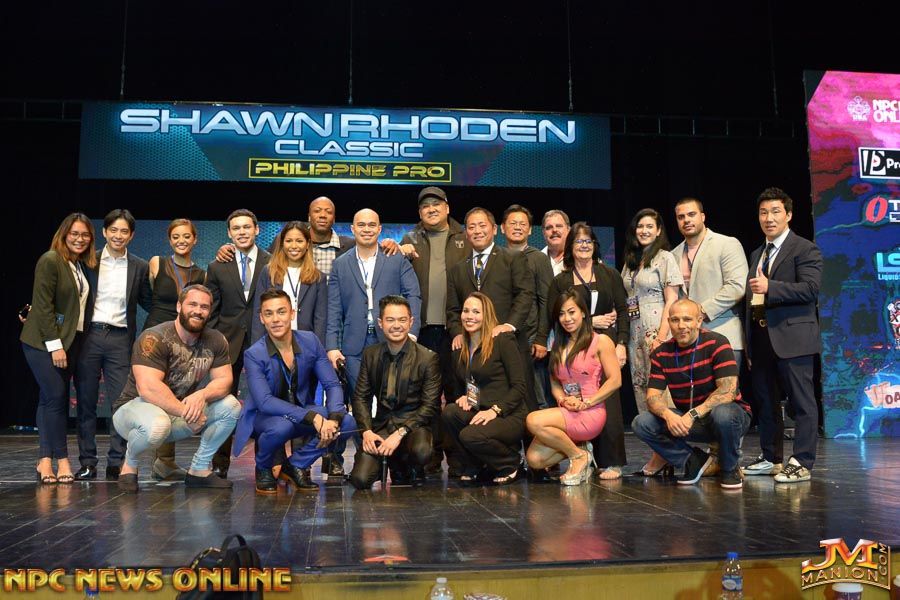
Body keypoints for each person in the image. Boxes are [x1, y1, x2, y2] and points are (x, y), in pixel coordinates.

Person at [112, 284, 241, 492]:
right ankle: (130, 465)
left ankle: (198, 470)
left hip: (176, 413)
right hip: (133, 410)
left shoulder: (216, 340)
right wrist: (186, 412)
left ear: (210, 311)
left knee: (231, 406)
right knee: (158, 425)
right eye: (192, 304)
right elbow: (148, 388)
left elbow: (224, 380)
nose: (198, 311)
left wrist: (202, 394)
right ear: (179, 306)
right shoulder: (154, 337)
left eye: (204, 307)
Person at [236, 289, 354, 494]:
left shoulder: (310, 341)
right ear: (261, 318)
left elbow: (332, 384)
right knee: (281, 427)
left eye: (281, 312)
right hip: (264, 417)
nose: (275, 319)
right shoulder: (254, 354)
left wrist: (334, 418)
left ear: (292, 313)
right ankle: (263, 467)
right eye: (269, 313)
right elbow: (265, 402)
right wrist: (313, 417)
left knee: (347, 423)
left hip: (300, 411)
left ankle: (295, 464)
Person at [744, 187, 822, 483]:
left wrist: (771, 287)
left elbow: (810, 289)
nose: (769, 218)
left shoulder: (804, 248)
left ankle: (802, 461)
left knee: (801, 403)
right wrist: (749, 341)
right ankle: (771, 457)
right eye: (763, 213)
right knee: (766, 402)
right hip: (762, 338)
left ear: (788, 215)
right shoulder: (757, 253)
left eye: (775, 212)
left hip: (794, 339)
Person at [631, 299, 751, 489]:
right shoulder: (661, 353)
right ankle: (693, 460)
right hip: (690, 420)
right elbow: (652, 397)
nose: (681, 326)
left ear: (699, 321)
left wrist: (693, 414)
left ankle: (729, 468)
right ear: (668, 322)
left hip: (727, 417)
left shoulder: (717, 342)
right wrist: (669, 415)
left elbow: (727, 392)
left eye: (687, 319)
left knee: (723, 413)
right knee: (642, 422)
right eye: (675, 320)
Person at [74, 209, 153, 481]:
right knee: (86, 402)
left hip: (121, 339)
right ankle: (87, 462)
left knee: (121, 404)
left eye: (124, 231)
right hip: (89, 337)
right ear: (105, 232)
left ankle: (117, 462)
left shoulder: (140, 266)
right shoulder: (88, 261)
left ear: (132, 235)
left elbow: (150, 302)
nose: (118, 235)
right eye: (114, 230)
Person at [546, 223, 628, 479]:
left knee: (608, 401)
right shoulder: (560, 280)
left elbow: (623, 310)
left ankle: (611, 462)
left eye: (587, 241)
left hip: (605, 344)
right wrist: (592, 321)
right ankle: (582, 453)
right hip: (572, 344)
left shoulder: (609, 274)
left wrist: (622, 343)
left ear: (594, 245)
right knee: (577, 397)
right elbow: (555, 315)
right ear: (570, 247)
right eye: (578, 242)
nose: (583, 246)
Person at [22, 213, 97, 484]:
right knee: (56, 396)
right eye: (74, 233)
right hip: (43, 342)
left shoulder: (78, 265)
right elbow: (43, 306)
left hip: (70, 341)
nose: (79, 239)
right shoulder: (51, 259)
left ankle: (44, 460)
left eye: (85, 235)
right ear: (64, 235)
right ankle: (62, 459)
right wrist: (55, 346)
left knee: (48, 399)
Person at [525, 290, 621, 485]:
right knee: (534, 460)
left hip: (590, 411)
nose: (566, 318)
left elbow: (615, 380)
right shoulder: (559, 344)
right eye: (561, 314)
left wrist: (587, 403)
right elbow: (554, 382)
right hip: (568, 409)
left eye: (571, 312)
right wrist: (562, 400)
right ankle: (580, 450)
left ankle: (578, 457)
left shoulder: (601, 341)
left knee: (533, 421)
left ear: (583, 312)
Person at [446, 207, 536, 413]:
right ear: (466, 233)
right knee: (473, 404)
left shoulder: (513, 258)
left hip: (508, 343)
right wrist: (457, 332)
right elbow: (452, 308)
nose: (477, 231)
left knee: (523, 402)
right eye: (471, 227)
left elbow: (525, 295)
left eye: (482, 225)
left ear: (494, 229)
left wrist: (509, 325)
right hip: (474, 349)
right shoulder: (457, 269)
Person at [349, 295, 441, 489]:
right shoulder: (370, 354)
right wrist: (367, 431)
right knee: (360, 480)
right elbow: (361, 397)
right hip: (382, 426)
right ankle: (391, 463)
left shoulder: (427, 358)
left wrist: (400, 433)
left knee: (422, 451)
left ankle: (408, 466)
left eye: (402, 320)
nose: (396, 325)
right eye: (390, 320)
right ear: (380, 323)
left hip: (413, 427)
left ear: (411, 322)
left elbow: (430, 406)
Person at [206, 209, 272, 478]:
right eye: (236, 228)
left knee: (264, 403)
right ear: (229, 233)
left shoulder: (271, 262)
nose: (242, 232)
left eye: (247, 227)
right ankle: (219, 464)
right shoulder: (217, 266)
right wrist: (214, 342)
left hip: (262, 341)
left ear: (257, 229)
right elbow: (211, 309)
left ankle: (264, 465)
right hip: (227, 343)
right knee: (222, 405)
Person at [620, 209, 683, 476]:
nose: (644, 231)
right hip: (635, 336)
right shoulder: (631, 261)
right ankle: (658, 452)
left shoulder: (665, 258)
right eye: (640, 226)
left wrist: (661, 336)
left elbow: (672, 300)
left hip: (658, 332)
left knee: (660, 394)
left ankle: (664, 455)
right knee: (641, 391)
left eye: (649, 226)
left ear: (658, 231)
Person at [144, 218, 207, 481]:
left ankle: (166, 461)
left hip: (184, 341)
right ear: (169, 240)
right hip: (156, 336)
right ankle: (157, 460)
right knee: (155, 395)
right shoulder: (157, 263)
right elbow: (147, 297)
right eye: (176, 237)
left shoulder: (201, 274)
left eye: (186, 236)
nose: (181, 241)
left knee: (175, 396)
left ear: (195, 239)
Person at [442, 292, 527, 485]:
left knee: (469, 435)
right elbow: (470, 385)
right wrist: (465, 397)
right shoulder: (461, 347)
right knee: (450, 413)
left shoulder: (502, 340)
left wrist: (495, 410)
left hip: (508, 414)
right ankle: (474, 465)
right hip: (480, 409)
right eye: (466, 311)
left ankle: (511, 463)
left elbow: (519, 387)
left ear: (486, 315)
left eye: (476, 312)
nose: (469, 316)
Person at [670, 198, 748, 368]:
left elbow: (737, 287)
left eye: (691, 214)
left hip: (723, 335)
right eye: (681, 217)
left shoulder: (727, 244)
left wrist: (701, 310)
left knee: (726, 386)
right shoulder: (673, 254)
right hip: (688, 340)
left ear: (703, 216)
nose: (686, 220)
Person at [501, 204, 554, 408]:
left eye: (523, 224)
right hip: (504, 335)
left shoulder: (539, 258)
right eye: (512, 223)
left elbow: (547, 300)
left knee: (537, 396)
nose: (517, 227)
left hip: (531, 338)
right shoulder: (498, 257)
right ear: (502, 228)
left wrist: (541, 338)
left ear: (530, 230)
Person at [250, 221, 326, 344]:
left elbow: (320, 319)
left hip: (306, 343)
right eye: (289, 241)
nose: (294, 246)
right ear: (282, 243)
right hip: (272, 342)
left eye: (299, 241)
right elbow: (258, 312)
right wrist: (257, 347)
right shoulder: (269, 272)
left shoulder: (318, 277)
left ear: (307, 244)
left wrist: (318, 348)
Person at [541, 210, 571, 277]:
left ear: (568, 230)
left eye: (559, 226)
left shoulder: (579, 259)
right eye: (549, 227)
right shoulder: (535, 260)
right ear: (544, 233)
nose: (554, 230)